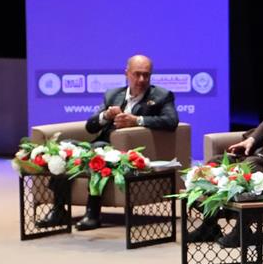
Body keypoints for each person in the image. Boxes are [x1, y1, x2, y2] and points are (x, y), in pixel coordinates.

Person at [38, 54, 178, 230]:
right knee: (65, 148)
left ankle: (93, 213)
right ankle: (59, 210)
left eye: (146, 75)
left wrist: (137, 120)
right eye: (137, 74)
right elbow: (90, 127)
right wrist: (106, 115)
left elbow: (171, 121)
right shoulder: (113, 94)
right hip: (101, 144)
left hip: (127, 150)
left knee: (98, 152)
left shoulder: (162, 96)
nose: (142, 79)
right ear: (127, 73)